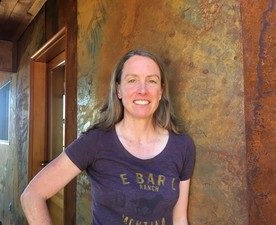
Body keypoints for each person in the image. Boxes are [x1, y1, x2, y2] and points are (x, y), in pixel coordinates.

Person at [21, 49, 196, 225]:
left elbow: (179, 218)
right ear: (118, 90)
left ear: (160, 91)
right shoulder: (95, 142)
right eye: (132, 80)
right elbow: (32, 195)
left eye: (151, 81)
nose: (142, 90)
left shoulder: (182, 146)